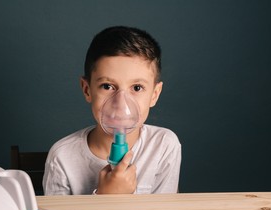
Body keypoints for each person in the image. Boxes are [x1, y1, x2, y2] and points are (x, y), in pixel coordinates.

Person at [43, 26, 181, 195]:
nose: (121, 103)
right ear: (87, 90)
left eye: (137, 88)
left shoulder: (163, 145)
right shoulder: (62, 157)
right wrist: (106, 196)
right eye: (107, 86)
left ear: (154, 94)